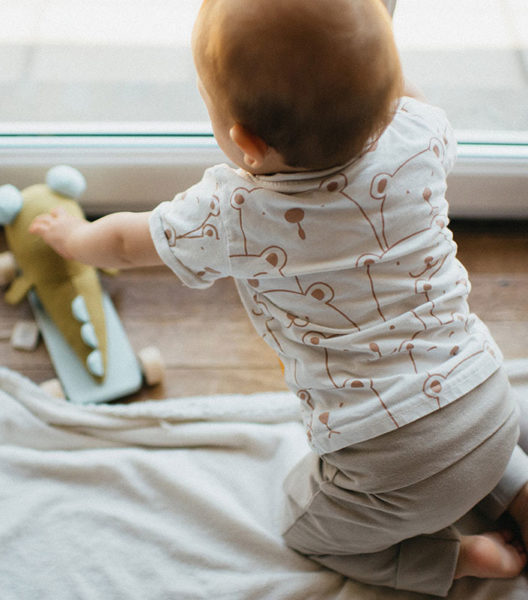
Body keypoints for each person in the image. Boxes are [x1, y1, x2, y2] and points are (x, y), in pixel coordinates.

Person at [29, 0, 528, 595]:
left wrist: (72, 237)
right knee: (467, 451)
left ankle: (454, 561)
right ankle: (516, 490)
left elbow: (124, 242)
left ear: (244, 139)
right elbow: (397, 93)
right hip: (489, 400)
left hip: (385, 460)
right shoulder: (419, 134)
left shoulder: (236, 212)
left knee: (303, 522)